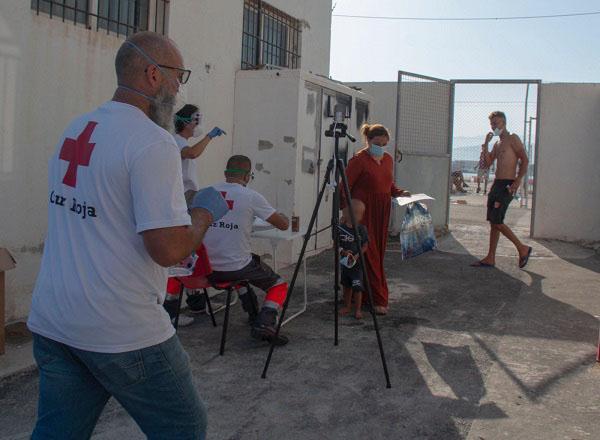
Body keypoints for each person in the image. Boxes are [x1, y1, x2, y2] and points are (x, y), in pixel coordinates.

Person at [26, 32, 230, 439]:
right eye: (178, 76)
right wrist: (205, 213)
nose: (178, 88)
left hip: (54, 318)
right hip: (120, 326)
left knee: (58, 433)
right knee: (184, 427)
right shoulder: (152, 142)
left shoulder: (77, 127)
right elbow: (168, 249)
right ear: (154, 75)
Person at [202, 155, 291, 345]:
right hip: (235, 267)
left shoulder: (207, 193)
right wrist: (284, 217)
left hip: (206, 269)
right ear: (248, 176)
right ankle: (265, 321)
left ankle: (253, 315)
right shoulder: (251, 196)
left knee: (241, 274)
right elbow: (282, 225)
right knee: (278, 284)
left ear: (226, 173)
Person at [163, 104, 226, 325]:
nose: (198, 125)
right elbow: (191, 153)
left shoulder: (178, 141)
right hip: (181, 201)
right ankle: (169, 312)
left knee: (192, 253)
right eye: (196, 120)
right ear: (188, 122)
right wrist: (209, 137)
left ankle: (196, 303)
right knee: (183, 255)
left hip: (186, 198)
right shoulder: (176, 142)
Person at [341, 123, 410, 315]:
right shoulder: (359, 160)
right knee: (367, 252)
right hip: (363, 213)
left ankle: (362, 295)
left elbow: (389, 184)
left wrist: (399, 192)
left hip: (382, 212)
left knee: (377, 254)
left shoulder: (387, 159)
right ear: (368, 141)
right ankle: (377, 298)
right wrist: (347, 214)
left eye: (384, 143)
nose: (380, 146)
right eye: (377, 142)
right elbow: (344, 187)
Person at [471, 111, 532, 269]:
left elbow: (524, 159)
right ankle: (490, 257)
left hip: (507, 184)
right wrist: (485, 144)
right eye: (491, 124)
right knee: (493, 222)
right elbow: (488, 163)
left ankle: (522, 248)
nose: (493, 126)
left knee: (497, 220)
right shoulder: (498, 144)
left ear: (504, 123)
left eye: (496, 123)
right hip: (497, 184)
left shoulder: (513, 138)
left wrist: (518, 180)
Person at [338, 200, 369, 320]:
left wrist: (356, 256)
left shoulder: (361, 229)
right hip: (345, 264)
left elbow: (365, 245)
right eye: (353, 213)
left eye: (358, 213)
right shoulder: (341, 229)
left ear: (361, 215)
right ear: (346, 213)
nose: (355, 216)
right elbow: (336, 245)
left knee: (357, 287)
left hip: (357, 265)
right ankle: (347, 306)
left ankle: (358, 309)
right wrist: (343, 252)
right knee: (346, 286)